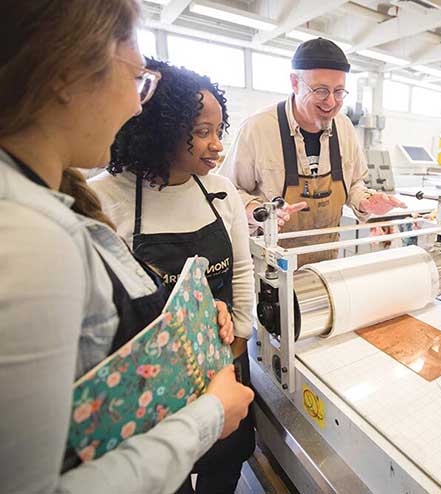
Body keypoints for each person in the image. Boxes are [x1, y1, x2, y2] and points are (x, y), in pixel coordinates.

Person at [0, 2, 253, 493]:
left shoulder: (48, 204)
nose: (138, 105)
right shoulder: (33, 237)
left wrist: (204, 320)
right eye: (138, 78)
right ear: (67, 71)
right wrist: (206, 418)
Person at [89, 59, 256, 494]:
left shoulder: (222, 192)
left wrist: (239, 340)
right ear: (159, 128)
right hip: (152, 379)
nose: (216, 145)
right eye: (201, 131)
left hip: (223, 359)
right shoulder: (105, 199)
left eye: (219, 131)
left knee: (228, 458)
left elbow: (240, 269)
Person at [219, 38, 405, 265]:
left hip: (326, 265)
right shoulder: (257, 129)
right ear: (295, 83)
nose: (331, 102)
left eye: (338, 92)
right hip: (272, 268)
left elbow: (354, 184)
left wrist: (366, 201)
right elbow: (227, 192)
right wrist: (256, 211)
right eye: (320, 90)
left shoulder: (344, 127)